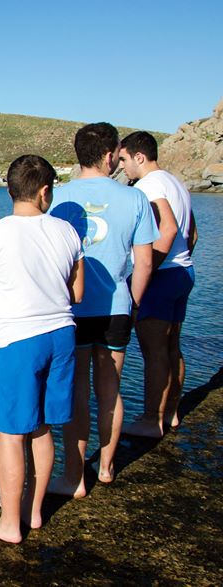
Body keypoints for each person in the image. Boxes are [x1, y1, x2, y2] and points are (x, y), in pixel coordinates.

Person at [0, 155, 84, 543]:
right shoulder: (67, 232)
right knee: (42, 427)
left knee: (10, 435)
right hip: (62, 336)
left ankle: (10, 523)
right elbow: (76, 294)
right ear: (45, 191)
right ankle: (33, 513)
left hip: (17, 342)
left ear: (10, 190)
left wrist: (0, 289)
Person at [47, 123, 158, 496]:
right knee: (110, 390)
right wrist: (135, 304)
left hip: (72, 311)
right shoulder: (135, 198)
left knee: (77, 392)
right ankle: (107, 468)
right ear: (110, 155)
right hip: (117, 308)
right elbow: (143, 262)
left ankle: (75, 478)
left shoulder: (58, 199)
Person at [118, 131, 198, 438]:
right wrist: (179, 260)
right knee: (171, 346)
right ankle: (171, 414)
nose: (122, 166)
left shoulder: (149, 186)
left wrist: (148, 269)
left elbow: (169, 230)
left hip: (161, 276)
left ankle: (152, 420)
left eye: (124, 159)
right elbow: (192, 235)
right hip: (182, 272)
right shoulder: (175, 182)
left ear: (139, 157)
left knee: (154, 351)